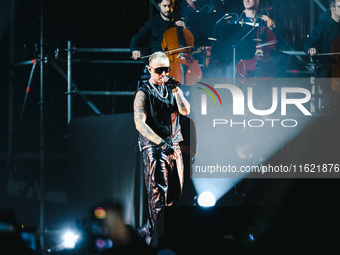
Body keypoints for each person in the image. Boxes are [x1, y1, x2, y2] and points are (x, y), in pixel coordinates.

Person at [133, 51, 190, 245]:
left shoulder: (171, 88)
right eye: (159, 70)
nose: (163, 74)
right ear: (150, 69)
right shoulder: (143, 92)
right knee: (158, 199)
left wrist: (176, 91)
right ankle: (156, 241)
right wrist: (160, 142)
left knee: (176, 195)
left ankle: (161, 236)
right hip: (155, 149)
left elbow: (185, 110)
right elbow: (140, 124)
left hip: (174, 146)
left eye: (166, 69)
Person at [304, 0, 340, 111]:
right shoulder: (321, 26)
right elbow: (309, 43)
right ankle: (328, 111)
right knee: (325, 79)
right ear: (333, 9)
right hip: (326, 64)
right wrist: (312, 49)